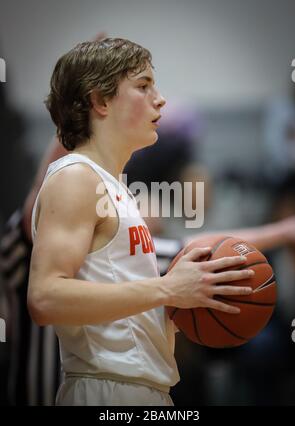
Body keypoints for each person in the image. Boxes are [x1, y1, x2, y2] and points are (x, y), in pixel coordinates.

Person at [26, 38, 255, 406]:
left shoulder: (115, 188)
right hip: (106, 390)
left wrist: (182, 306)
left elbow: (121, 310)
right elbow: (45, 298)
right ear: (100, 101)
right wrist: (167, 290)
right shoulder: (75, 178)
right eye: (144, 86)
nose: (160, 99)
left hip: (141, 389)